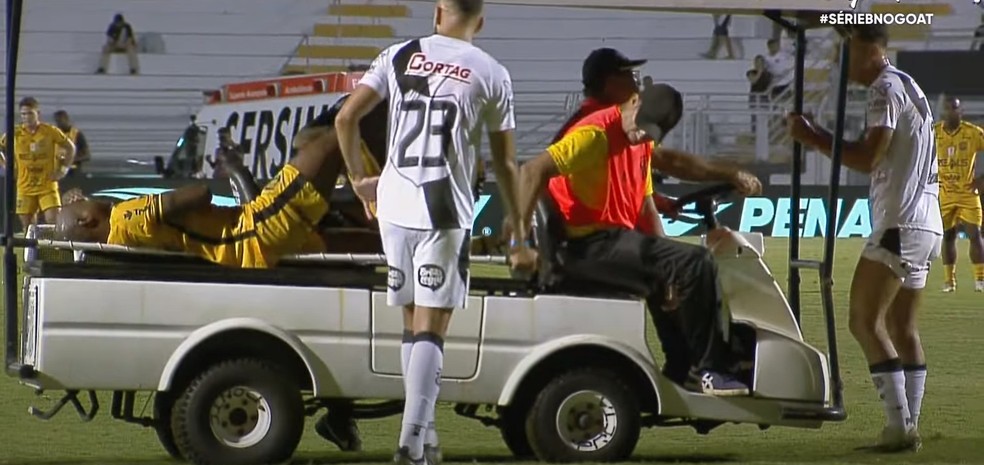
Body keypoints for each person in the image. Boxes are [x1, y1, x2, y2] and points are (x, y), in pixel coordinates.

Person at [333, 1, 537, 463]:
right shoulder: (491, 72)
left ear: (438, 12)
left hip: (394, 204)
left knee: (411, 323)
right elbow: (505, 162)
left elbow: (345, 119)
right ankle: (410, 445)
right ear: (480, 21)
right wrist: (520, 232)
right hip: (443, 209)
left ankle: (424, 437)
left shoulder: (398, 55)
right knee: (432, 328)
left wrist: (360, 180)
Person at [518, 83, 761, 396]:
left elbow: (645, 206)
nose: (640, 136)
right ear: (633, 101)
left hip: (609, 240)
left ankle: (682, 367)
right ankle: (711, 369)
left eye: (650, 134)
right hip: (583, 246)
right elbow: (531, 171)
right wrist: (519, 243)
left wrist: (668, 262)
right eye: (641, 126)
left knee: (677, 270)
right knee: (696, 261)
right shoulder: (594, 136)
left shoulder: (640, 143)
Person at [787, 24, 941, 452]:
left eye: (847, 51)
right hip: (927, 222)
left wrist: (812, 136)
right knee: (901, 326)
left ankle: (898, 426)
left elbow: (868, 157)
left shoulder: (883, 90)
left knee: (863, 320)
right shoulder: (909, 85)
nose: (842, 62)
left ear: (869, 50)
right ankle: (908, 425)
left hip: (900, 222)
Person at [52, 114, 384, 266]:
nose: (85, 200)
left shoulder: (119, 240)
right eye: (81, 206)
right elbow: (200, 194)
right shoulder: (126, 218)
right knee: (342, 128)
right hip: (257, 229)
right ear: (86, 221)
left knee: (381, 244)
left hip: (249, 250)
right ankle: (377, 187)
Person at [0, 97, 77, 231]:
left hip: (47, 184)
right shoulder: (15, 133)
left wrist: (63, 169)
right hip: (25, 186)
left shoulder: (50, 131)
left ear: (38, 114)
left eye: (30, 113)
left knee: (53, 220)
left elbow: (70, 147)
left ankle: (53, 244)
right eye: (23, 114)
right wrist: (6, 166)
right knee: (28, 225)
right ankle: (32, 245)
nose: (26, 117)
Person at [934, 96, 984, 292]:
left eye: (954, 109)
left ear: (960, 111)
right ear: (943, 112)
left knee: (975, 235)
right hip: (944, 193)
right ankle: (949, 281)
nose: (951, 112)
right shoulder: (934, 133)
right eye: (948, 109)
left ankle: (980, 279)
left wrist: (981, 179)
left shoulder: (972, 133)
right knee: (948, 237)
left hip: (967, 193)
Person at [52, 110, 91, 177]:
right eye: (57, 121)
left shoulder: (77, 134)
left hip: (73, 172)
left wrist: (69, 159)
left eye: (60, 121)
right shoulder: (54, 135)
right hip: (58, 171)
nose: (58, 124)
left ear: (66, 119)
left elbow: (87, 155)